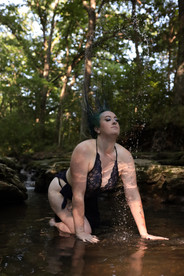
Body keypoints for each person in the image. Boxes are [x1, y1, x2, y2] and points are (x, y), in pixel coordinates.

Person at [48, 110, 168, 243]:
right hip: (62, 192)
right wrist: (80, 232)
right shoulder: (84, 150)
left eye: (116, 119)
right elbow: (77, 194)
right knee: (85, 232)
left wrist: (144, 233)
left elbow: (132, 195)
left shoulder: (125, 156)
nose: (114, 121)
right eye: (108, 119)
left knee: (96, 226)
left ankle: (72, 222)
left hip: (88, 197)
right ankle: (55, 223)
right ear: (97, 129)